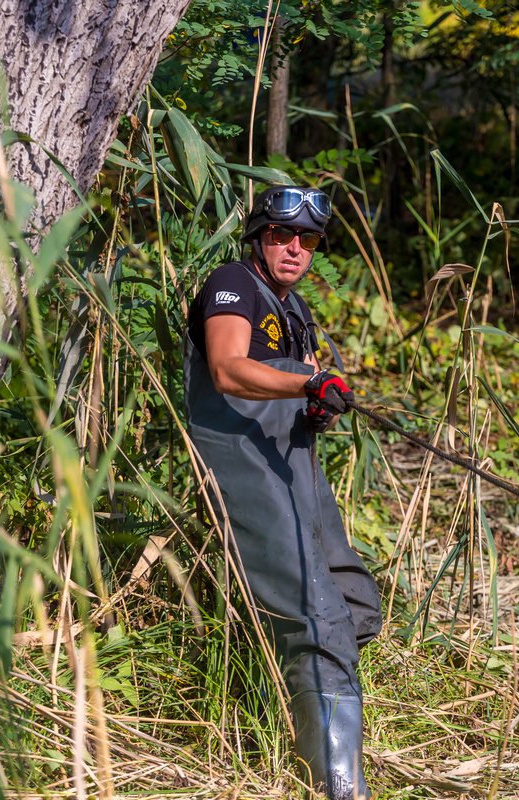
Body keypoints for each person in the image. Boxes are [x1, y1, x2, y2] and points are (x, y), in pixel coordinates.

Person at [184, 186, 383, 799]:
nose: (295, 248)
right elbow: (226, 367)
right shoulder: (233, 282)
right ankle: (339, 785)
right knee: (312, 608)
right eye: (281, 235)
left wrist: (318, 402)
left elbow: (294, 385)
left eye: (309, 240)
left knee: (351, 596)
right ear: (259, 236)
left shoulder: (296, 310)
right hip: (241, 454)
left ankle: (299, 713)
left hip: (291, 455)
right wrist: (306, 386)